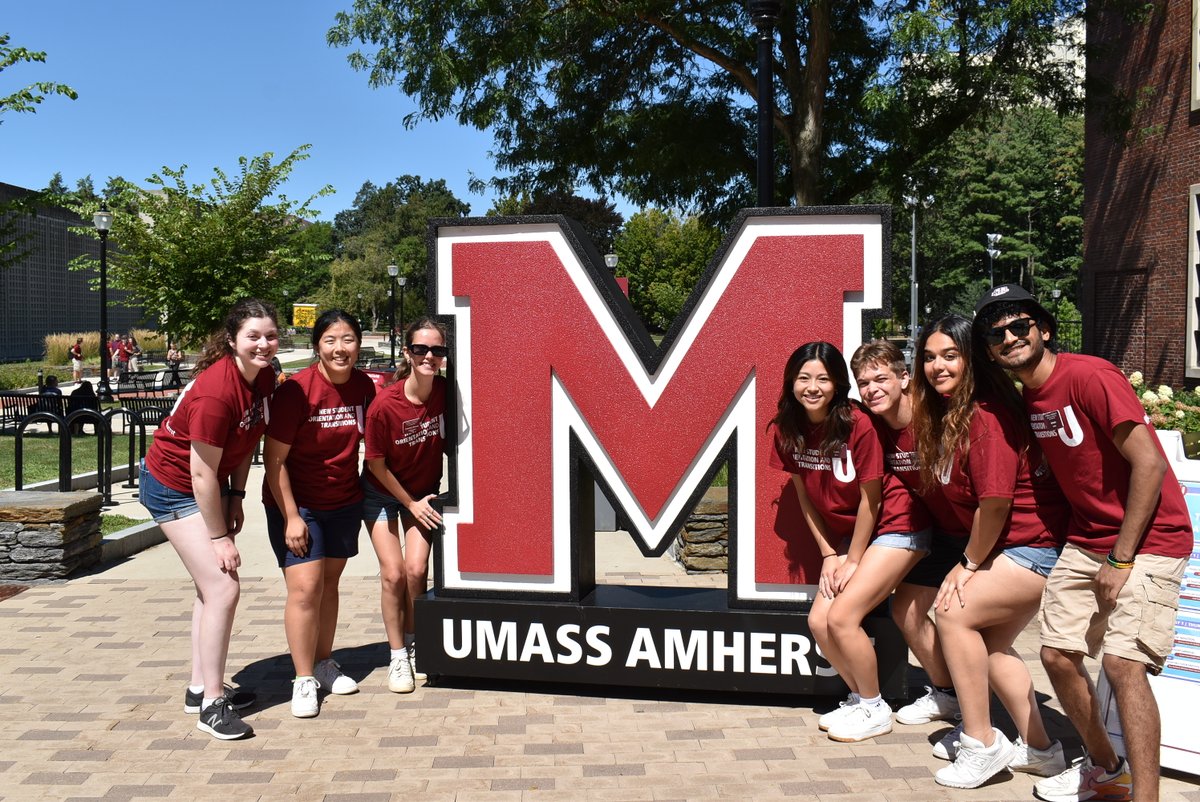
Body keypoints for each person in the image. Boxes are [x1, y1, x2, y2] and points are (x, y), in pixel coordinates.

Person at [976, 284, 1192, 802]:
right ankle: (1107, 768)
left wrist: (1121, 557)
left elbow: (1150, 462)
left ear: (1043, 329)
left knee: (1121, 664)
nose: (1009, 338)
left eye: (1020, 326)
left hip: (1151, 539)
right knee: (1055, 655)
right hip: (1087, 538)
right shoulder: (1028, 397)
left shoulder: (1089, 375)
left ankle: (1147, 797)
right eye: (996, 334)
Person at [910, 314, 1070, 789]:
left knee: (953, 612)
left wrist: (967, 565)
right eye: (929, 356)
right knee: (994, 644)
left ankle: (982, 743)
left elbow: (996, 504)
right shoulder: (953, 414)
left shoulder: (985, 416)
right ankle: (1043, 750)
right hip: (1012, 549)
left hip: (1033, 548)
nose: (937, 366)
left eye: (950, 355)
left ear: (972, 359)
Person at [770, 342, 932, 743]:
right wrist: (829, 553)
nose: (812, 387)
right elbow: (804, 497)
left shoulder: (855, 421)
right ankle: (862, 698)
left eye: (823, 378)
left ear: (837, 384)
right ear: (792, 382)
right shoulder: (786, 429)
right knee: (818, 622)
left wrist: (853, 560)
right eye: (804, 378)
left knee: (842, 618)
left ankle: (875, 708)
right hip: (848, 538)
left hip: (896, 525)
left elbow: (871, 497)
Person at [139, 298, 279, 740]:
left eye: (270, 336)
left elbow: (245, 442)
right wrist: (219, 536)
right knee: (223, 584)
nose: (263, 344)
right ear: (233, 340)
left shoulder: (264, 379)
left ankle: (199, 687)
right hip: (172, 485)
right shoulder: (218, 392)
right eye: (253, 336)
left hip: (209, 483)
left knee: (209, 588)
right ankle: (213, 706)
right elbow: (199, 473)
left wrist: (236, 496)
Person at [263, 310, 377, 718]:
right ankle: (303, 679)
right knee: (305, 588)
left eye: (347, 339)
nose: (339, 348)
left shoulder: (365, 387)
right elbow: (273, 460)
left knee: (329, 585)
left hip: (343, 501)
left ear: (358, 345)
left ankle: (325, 662)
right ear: (317, 347)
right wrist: (292, 516)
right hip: (298, 503)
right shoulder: (297, 391)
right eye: (330, 340)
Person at [849, 341, 962, 729]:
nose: (872, 389)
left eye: (881, 378)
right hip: (937, 530)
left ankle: (981, 718)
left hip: (979, 531)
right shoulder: (874, 424)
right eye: (863, 383)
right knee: (906, 612)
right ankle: (947, 695)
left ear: (904, 378)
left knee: (966, 620)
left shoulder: (940, 415)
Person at [362, 318, 448, 694]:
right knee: (393, 573)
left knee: (416, 570)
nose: (429, 356)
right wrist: (409, 503)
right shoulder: (385, 406)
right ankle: (397, 655)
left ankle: (415, 643)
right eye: (421, 349)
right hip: (382, 493)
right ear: (407, 353)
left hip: (423, 492)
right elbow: (375, 465)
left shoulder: (447, 392)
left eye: (437, 351)